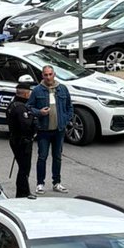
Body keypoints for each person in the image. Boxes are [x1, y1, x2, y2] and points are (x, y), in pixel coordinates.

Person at [28, 65, 73, 194]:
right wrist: (39, 112)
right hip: (44, 130)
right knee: (42, 157)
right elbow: (29, 107)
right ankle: (40, 183)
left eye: (50, 74)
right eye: (46, 75)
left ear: (54, 75)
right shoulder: (37, 90)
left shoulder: (62, 89)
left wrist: (65, 120)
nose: (48, 77)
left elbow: (70, 107)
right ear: (42, 76)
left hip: (59, 130)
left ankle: (57, 182)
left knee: (57, 157)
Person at [6, 77, 37, 198]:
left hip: (16, 139)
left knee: (23, 167)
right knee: (24, 168)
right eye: (28, 92)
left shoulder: (12, 105)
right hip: (22, 141)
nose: (29, 94)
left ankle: (23, 191)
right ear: (25, 93)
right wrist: (33, 118)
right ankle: (23, 193)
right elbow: (26, 125)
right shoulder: (20, 108)